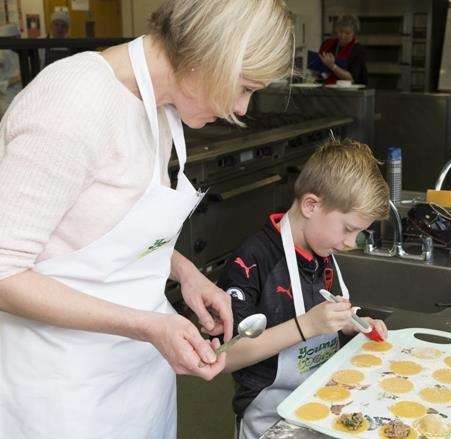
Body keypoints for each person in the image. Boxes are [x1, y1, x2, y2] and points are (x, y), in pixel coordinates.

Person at [0, 1, 293, 438]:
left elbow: (101, 227)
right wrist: (147, 324)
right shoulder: (74, 102)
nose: (242, 107)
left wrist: (186, 273)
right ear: (206, 55)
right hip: (65, 393)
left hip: (137, 379)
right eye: (244, 86)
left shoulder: (156, 104)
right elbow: (4, 270)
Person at [218, 138, 389, 439]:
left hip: (324, 408)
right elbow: (226, 356)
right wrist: (307, 325)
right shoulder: (254, 258)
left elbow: (327, 308)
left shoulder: (323, 251)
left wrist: (352, 323)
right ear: (311, 205)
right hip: (270, 419)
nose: (351, 243)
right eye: (349, 229)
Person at [317, 15, 368, 85]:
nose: (343, 36)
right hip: (328, 89)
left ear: (354, 34)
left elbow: (351, 78)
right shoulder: (328, 45)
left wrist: (332, 66)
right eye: (340, 32)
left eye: (347, 33)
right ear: (336, 30)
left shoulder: (358, 50)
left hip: (351, 93)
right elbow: (320, 71)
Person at [0, 24, 22, 117]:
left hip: (21, 98)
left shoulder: (20, 53)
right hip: (7, 101)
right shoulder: (2, 54)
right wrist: (15, 79)